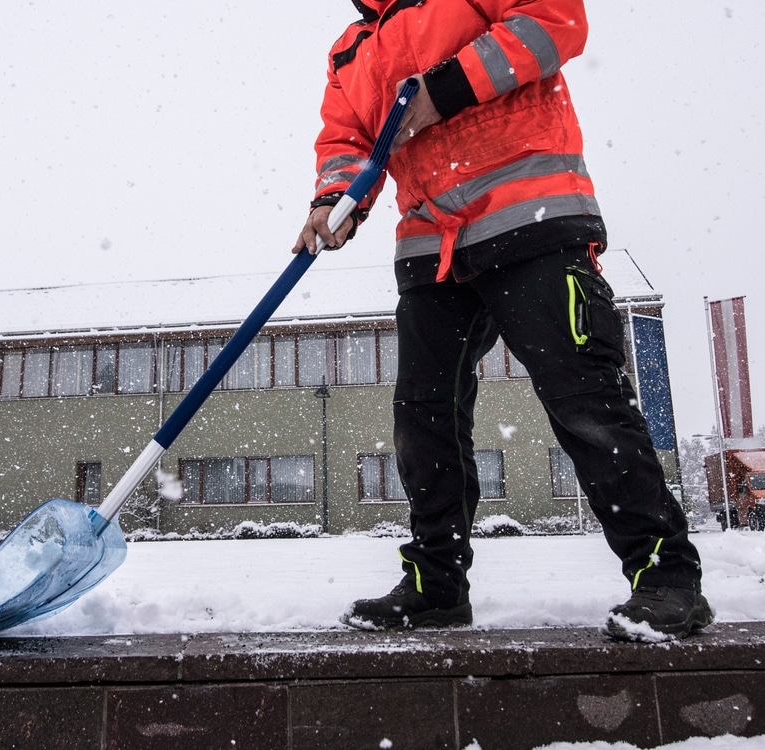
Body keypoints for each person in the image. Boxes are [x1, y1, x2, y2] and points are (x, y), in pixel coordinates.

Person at [292, 0, 713, 640]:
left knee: (585, 401)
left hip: (532, 220)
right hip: (431, 246)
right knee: (423, 418)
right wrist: (337, 198)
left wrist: (447, 87)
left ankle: (665, 577)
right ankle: (436, 586)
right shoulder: (351, 50)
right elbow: (348, 138)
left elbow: (554, 19)